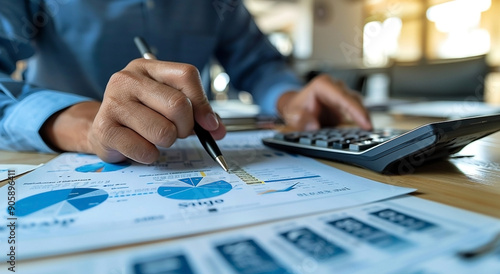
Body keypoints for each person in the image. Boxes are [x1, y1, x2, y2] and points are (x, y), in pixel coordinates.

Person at [0, 0, 371, 164]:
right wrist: (86, 125)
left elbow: (257, 63)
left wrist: (290, 98)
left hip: (185, 151)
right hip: (54, 158)